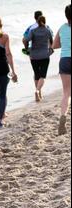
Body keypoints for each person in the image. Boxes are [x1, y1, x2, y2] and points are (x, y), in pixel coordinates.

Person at [26, 15, 54, 102]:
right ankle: (37, 91)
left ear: (37, 21)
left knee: (36, 74)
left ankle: (39, 94)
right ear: (45, 21)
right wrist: (51, 50)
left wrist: (27, 50)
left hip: (34, 56)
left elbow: (26, 39)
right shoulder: (47, 30)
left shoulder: (33, 30)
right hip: (44, 55)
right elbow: (51, 41)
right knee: (42, 75)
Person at [53, 5, 71, 135]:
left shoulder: (62, 28)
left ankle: (63, 116)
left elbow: (54, 45)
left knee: (66, 92)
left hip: (64, 60)